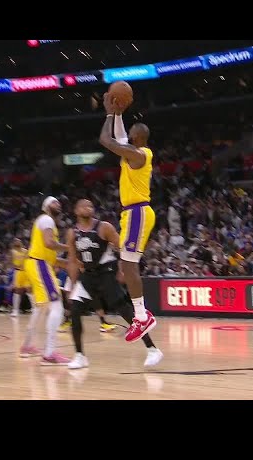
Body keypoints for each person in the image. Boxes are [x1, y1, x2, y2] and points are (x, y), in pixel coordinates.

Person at [65, 199, 163, 369]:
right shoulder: (72, 233)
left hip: (106, 273)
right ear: (76, 210)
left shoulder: (104, 227)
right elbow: (72, 260)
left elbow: (123, 249)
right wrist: (72, 285)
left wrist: (122, 269)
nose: (87, 208)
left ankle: (152, 349)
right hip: (87, 276)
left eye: (90, 206)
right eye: (83, 206)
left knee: (125, 311)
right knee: (75, 311)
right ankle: (79, 356)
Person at [99, 93, 157, 343]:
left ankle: (142, 317)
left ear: (138, 137)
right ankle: (142, 315)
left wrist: (109, 113)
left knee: (129, 264)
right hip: (132, 213)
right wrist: (119, 115)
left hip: (137, 212)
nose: (128, 133)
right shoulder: (133, 152)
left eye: (131, 131)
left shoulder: (139, 154)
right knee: (126, 264)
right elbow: (120, 138)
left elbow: (106, 140)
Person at [19, 196, 71, 365]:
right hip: (39, 264)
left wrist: (72, 263)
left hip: (38, 264)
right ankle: (49, 353)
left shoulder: (48, 224)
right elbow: (49, 243)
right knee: (57, 305)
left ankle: (27, 346)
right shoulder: (46, 219)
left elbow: (54, 259)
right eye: (54, 202)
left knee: (40, 308)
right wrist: (70, 247)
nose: (58, 204)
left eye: (59, 203)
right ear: (46, 206)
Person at [9, 238, 30, 317]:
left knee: (29, 289)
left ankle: (35, 308)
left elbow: (28, 261)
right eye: (15, 241)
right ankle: (15, 310)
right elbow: (11, 262)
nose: (17, 242)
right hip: (17, 272)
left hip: (26, 272)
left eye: (19, 241)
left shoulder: (26, 251)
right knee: (17, 291)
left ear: (21, 242)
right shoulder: (12, 251)